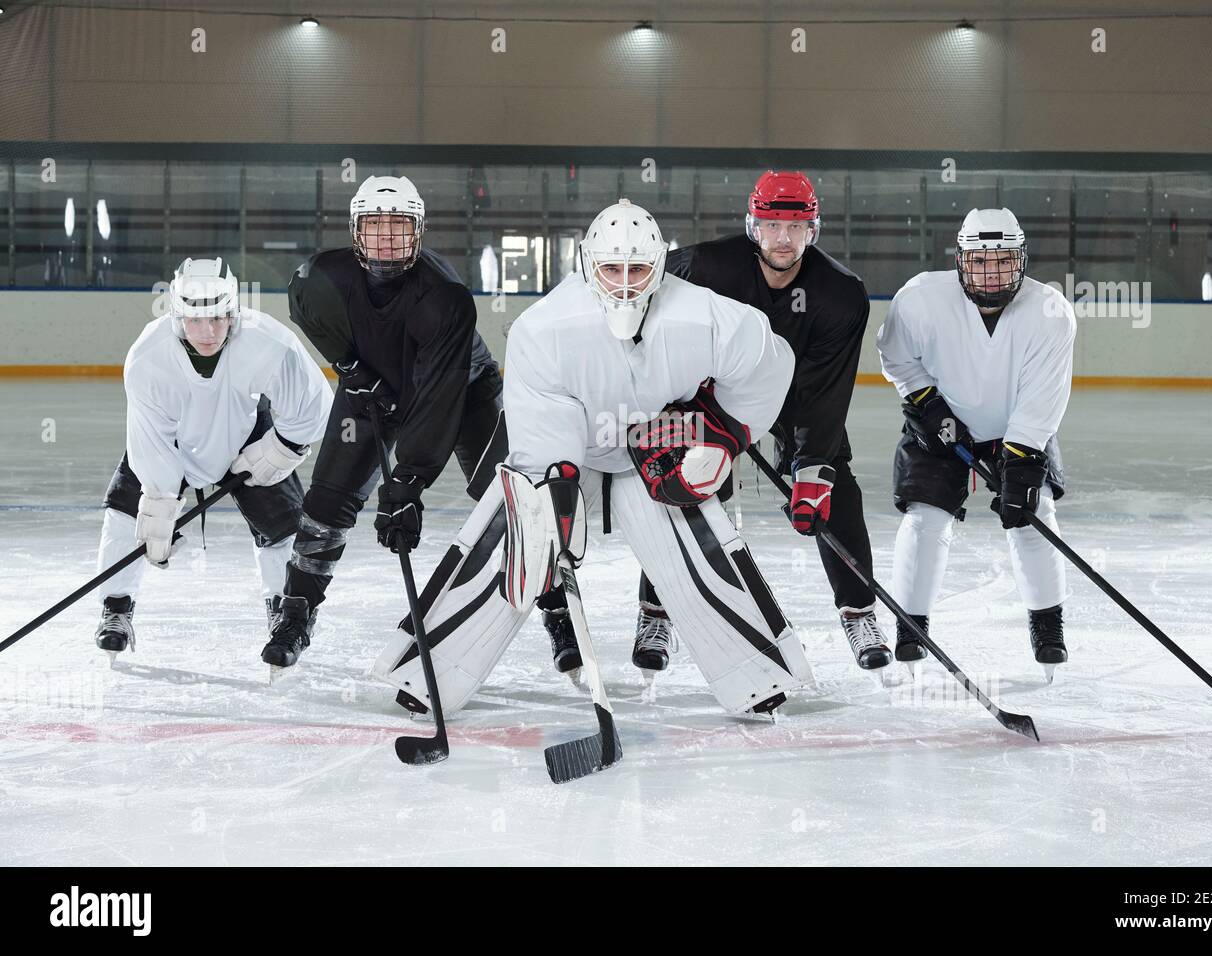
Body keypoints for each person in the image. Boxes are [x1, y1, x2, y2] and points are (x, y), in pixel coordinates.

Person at [370, 199, 814, 719]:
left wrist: (719, 429)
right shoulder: (545, 328)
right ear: (586, 263)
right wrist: (552, 491)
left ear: (660, 265)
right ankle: (429, 675)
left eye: (638, 269)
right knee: (514, 542)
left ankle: (756, 676)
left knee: (698, 548)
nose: (624, 283)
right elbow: (540, 426)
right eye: (611, 268)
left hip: (652, 447)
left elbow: (769, 364)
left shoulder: (705, 317)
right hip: (567, 451)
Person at [613, 170, 888, 682]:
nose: (783, 237)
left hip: (791, 398)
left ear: (814, 230)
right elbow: (648, 325)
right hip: (706, 395)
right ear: (752, 226)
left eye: (795, 225)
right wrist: (668, 407)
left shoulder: (841, 293)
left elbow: (825, 393)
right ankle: (657, 612)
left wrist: (812, 466)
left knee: (837, 488)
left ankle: (859, 612)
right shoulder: (700, 268)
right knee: (684, 485)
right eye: (770, 224)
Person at [267, 175, 504, 671]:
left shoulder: (445, 298)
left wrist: (407, 485)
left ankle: (554, 609)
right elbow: (304, 308)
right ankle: (297, 609)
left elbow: (436, 400)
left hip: (462, 390)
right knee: (326, 499)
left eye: (399, 227)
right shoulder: (319, 278)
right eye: (376, 227)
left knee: (506, 497)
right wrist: (353, 371)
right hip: (372, 387)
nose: (387, 239)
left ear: (418, 232)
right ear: (356, 231)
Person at [92, 257, 332, 663]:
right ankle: (116, 609)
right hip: (172, 442)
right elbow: (149, 439)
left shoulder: (267, 342)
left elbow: (313, 403)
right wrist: (160, 499)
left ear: (233, 311)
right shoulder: (148, 358)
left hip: (249, 435)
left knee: (284, 527)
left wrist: (281, 448)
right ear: (177, 315)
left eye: (218, 319)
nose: (207, 332)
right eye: (195, 320)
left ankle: (287, 615)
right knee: (124, 513)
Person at [876, 207, 1075, 679]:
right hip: (943, 423)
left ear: (1021, 260)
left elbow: (1044, 395)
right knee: (925, 518)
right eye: (981, 261)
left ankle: (1048, 627)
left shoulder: (1050, 311)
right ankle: (911, 627)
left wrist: (1024, 458)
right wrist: (927, 405)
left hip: (1019, 429)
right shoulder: (921, 297)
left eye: (1003, 260)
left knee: (1033, 516)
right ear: (962, 260)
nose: (992, 273)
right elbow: (896, 355)